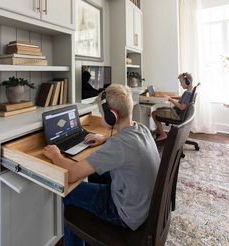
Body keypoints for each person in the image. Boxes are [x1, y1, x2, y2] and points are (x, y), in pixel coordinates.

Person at [43, 84, 160, 246]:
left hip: (126, 214)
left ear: (112, 116)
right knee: (95, 173)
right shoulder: (141, 129)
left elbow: (71, 174)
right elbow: (123, 149)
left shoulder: (119, 145)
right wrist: (105, 139)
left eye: (101, 112)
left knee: (68, 192)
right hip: (142, 206)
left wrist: (56, 155)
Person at [152, 72, 193, 141]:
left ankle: (163, 134)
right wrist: (171, 96)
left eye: (181, 82)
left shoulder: (187, 93)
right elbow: (182, 97)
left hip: (177, 115)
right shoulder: (190, 91)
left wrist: (170, 99)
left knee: (154, 113)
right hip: (179, 113)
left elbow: (182, 107)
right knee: (159, 109)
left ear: (187, 82)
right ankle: (159, 130)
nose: (180, 84)